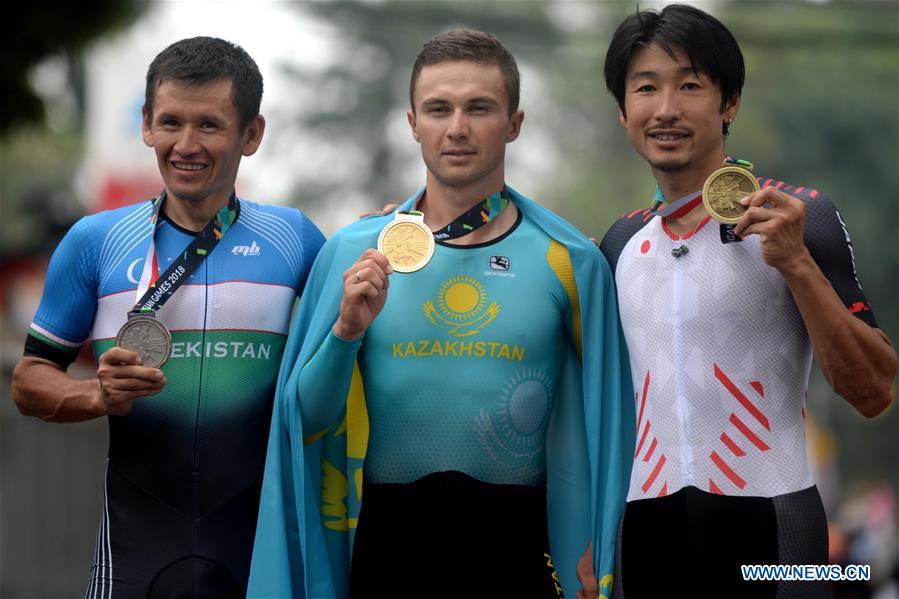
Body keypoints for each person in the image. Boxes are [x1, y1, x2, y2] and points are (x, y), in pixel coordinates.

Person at [248, 29, 635, 598]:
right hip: (385, 551)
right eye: (438, 109)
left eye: (479, 108)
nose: (457, 128)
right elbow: (304, 423)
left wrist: (602, 550)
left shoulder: (572, 259)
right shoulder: (354, 253)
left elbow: (612, 427)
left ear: (514, 123)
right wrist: (346, 332)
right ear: (412, 124)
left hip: (522, 553)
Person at [576, 5, 898, 599]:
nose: (666, 108)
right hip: (644, 542)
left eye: (691, 85)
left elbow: (875, 391)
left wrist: (797, 263)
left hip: (780, 544)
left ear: (729, 105)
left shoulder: (799, 217)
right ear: (624, 113)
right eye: (645, 88)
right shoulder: (619, 243)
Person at [11, 37, 325, 598]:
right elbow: (29, 382)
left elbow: (359, 337)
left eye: (209, 125)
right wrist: (96, 396)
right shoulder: (97, 242)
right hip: (136, 547)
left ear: (251, 134)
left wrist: (379, 239)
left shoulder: (294, 239)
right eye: (171, 122)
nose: (186, 144)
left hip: (257, 546)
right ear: (146, 125)